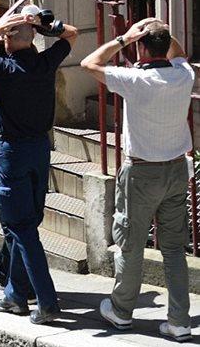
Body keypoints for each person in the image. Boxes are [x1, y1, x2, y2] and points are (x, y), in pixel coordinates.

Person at [0, 6, 78, 325]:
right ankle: (15, 295)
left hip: (11, 154)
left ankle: (46, 301)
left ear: (7, 39)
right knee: (27, 225)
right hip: (40, 150)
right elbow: (71, 35)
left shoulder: (2, 68)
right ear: (32, 38)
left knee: (21, 229)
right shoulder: (46, 62)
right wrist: (42, 25)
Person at [81, 18, 194, 342]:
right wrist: (162, 31)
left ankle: (121, 311)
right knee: (174, 250)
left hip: (142, 173)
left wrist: (124, 39)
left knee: (131, 245)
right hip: (176, 169)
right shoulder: (183, 75)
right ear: (165, 46)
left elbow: (89, 63)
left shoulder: (134, 79)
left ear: (141, 48)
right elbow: (180, 54)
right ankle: (179, 321)